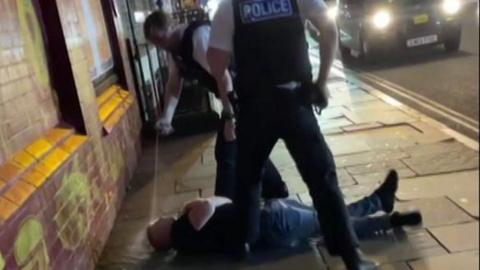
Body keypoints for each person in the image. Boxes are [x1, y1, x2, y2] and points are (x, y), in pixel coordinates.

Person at [206, 0, 377, 268]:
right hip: (294, 100)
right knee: (322, 178)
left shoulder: (230, 7)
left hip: (253, 108)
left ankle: (243, 246)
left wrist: (228, 107)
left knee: (248, 179)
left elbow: (216, 60)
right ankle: (351, 255)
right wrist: (321, 83)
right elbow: (329, 28)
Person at [143, 11, 288, 200]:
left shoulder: (198, 38)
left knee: (229, 151)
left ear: (171, 27)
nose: (161, 46)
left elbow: (224, 76)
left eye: (161, 39)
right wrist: (167, 117)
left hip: (247, 91)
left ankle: (225, 205)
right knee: (245, 147)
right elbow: (174, 82)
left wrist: (229, 114)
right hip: (238, 95)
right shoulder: (175, 50)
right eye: (156, 43)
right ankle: (274, 190)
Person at [147, 171, 422, 255]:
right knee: (332, 222)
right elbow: (209, 209)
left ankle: (381, 205)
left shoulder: (186, 242)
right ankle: (385, 213)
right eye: (155, 224)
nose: (159, 218)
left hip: (272, 224)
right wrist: (207, 201)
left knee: (329, 216)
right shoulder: (184, 229)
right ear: (161, 235)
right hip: (274, 221)